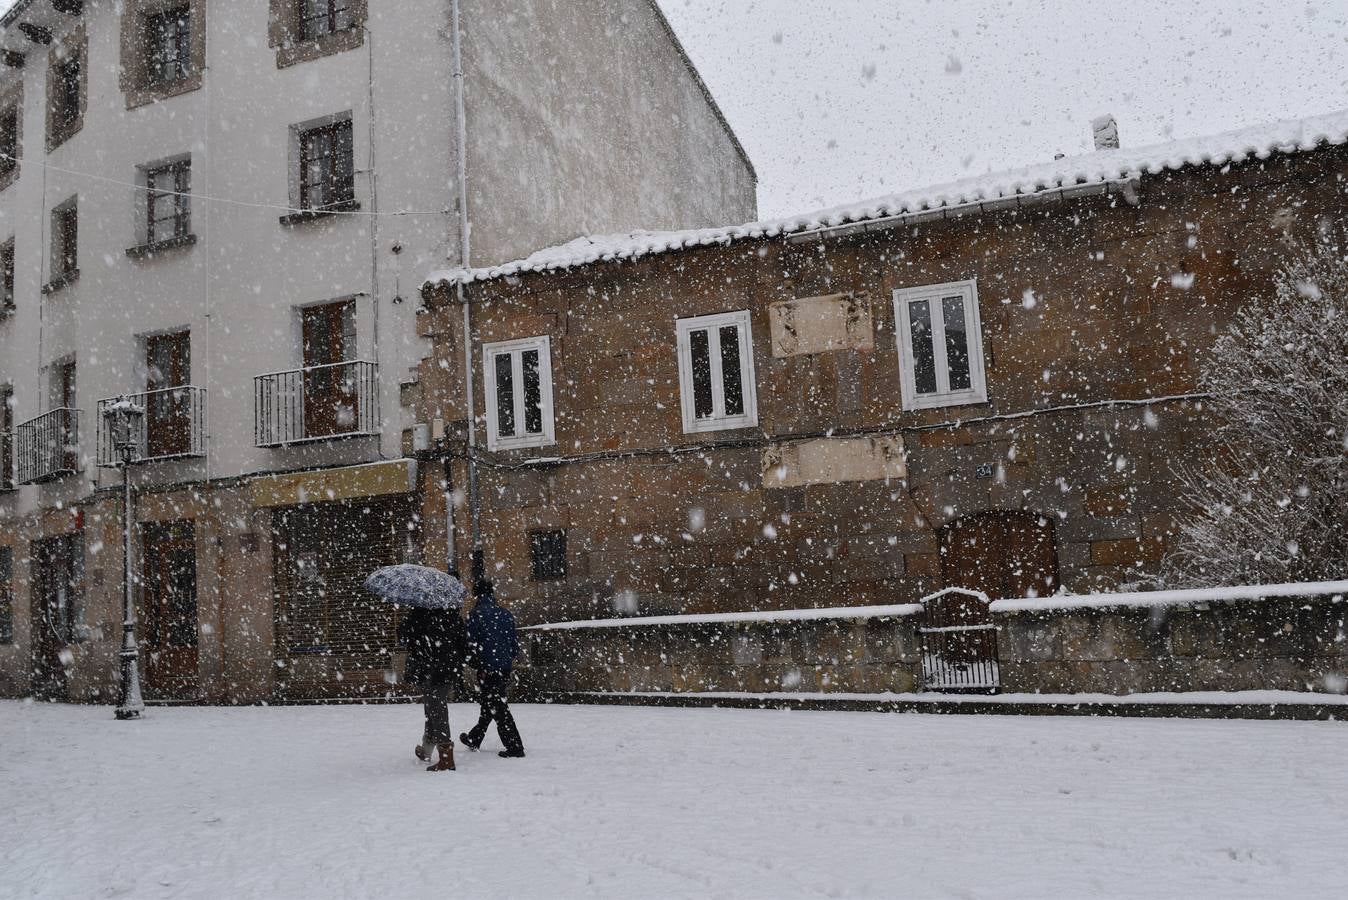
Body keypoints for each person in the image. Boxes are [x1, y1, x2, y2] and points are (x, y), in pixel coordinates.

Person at [398, 595, 470, 772]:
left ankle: (446, 758)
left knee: (436, 708)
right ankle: (426, 749)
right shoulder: (452, 615)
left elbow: (404, 638)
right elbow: (463, 644)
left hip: (429, 668)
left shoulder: (420, 613)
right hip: (446, 668)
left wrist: (409, 620)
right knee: (432, 706)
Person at [461, 580, 526, 758]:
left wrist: (477, 664)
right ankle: (475, 737)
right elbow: (514, 646)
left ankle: (515, 746)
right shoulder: (505, 614)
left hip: (487, 667)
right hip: (504, 667)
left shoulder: (475, 615)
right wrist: (504, 660)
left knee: (497, 706)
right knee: (490, 702)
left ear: (477, 595)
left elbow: (471, 646)